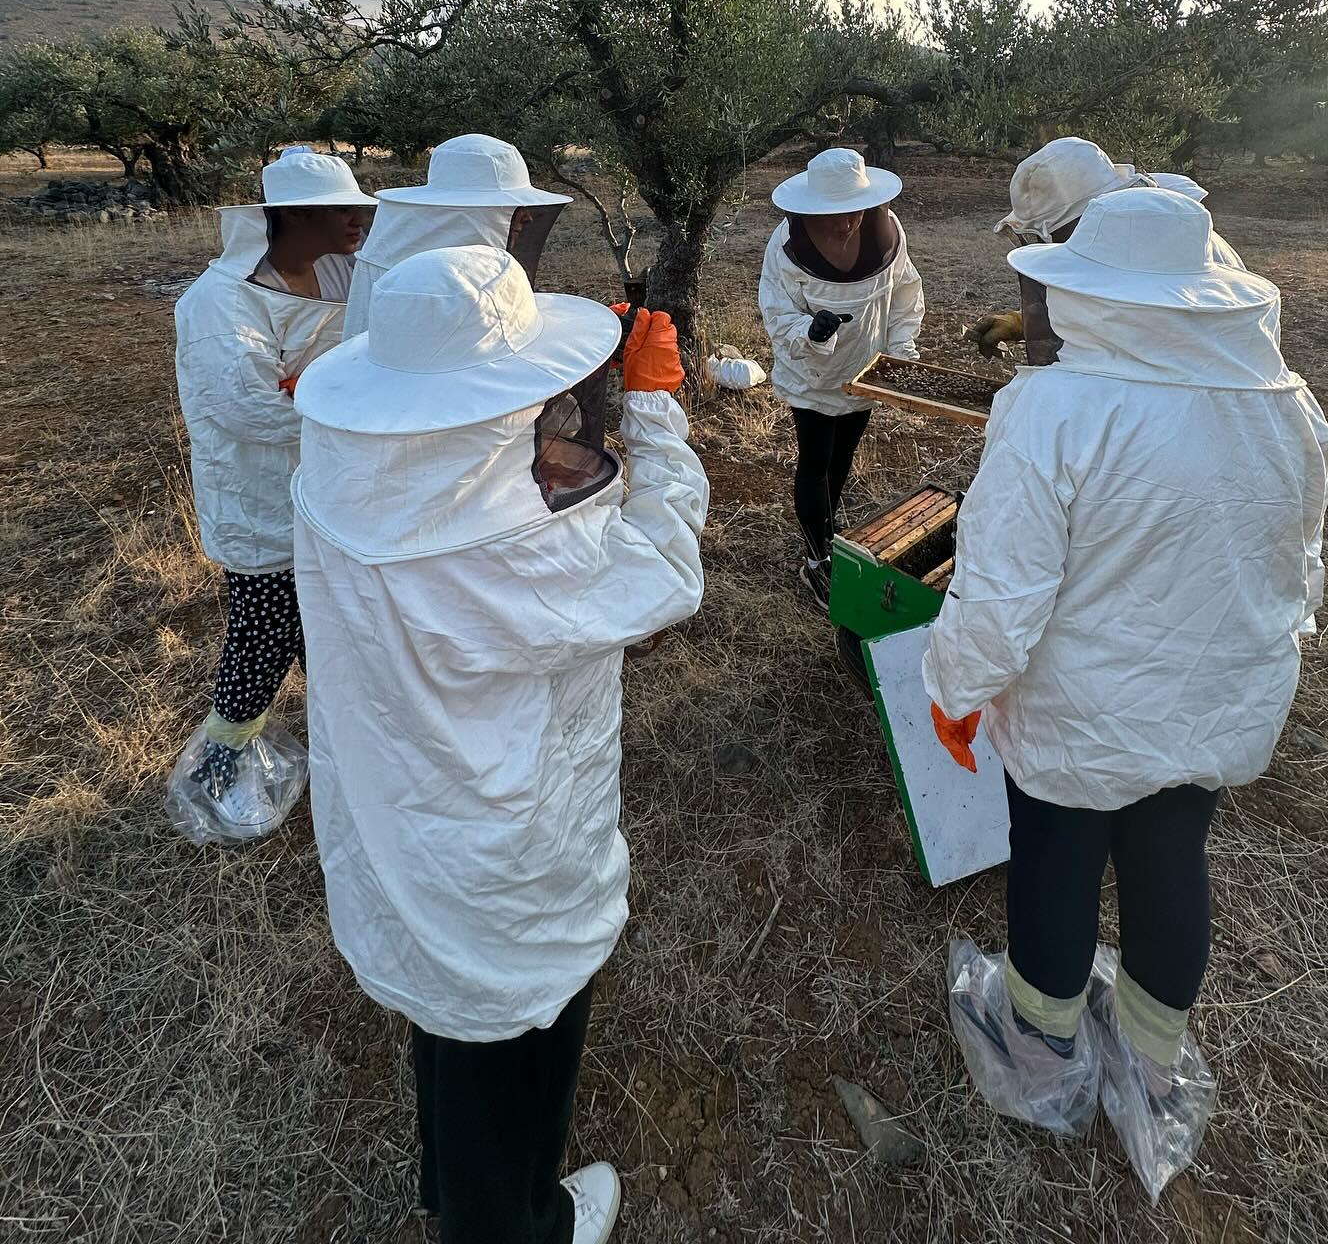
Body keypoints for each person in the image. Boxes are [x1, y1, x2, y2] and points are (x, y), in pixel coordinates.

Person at [291, 246, 709, 1244]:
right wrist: (654, 412)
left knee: (448, 1009)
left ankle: (456, 1183)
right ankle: (518, 1222)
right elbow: (663, 574)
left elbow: (488, 472)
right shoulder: (518, 545)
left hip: (395, 811)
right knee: (515, 1020)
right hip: (504, 843)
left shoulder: (335, 478)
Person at [924, 188, 1328, 1194]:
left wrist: (954, 686)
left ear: (1091, 295)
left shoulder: (1053, 408)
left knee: (1056, 858)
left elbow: (1001, 593)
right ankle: (1150, 1069)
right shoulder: (1286, 402)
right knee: (1171, 861)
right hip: (1217, 702)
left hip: (1080, 714)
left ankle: (1042, 1062)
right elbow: (1301, 563)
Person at [165, 147, 375, 843]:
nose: (356, 221)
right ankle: (218, 771)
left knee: (328, 627)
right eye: (341, 210)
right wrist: (348, 404)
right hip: (259, 495)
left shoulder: (343, 273)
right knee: (264, 633)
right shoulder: (219, 302)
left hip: (329, 485)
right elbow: (245, 408)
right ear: (293, 216)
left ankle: (344, 751)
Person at [758, 147, 925, 606]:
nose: (848, 223)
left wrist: (900, 352)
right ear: (813, 209)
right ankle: (816, 560)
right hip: (812, 375)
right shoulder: (784, 246)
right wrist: (808, 331)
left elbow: (905, 293)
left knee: (842, 456)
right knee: (816, 460)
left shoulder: (889, 233)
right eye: (836, 214)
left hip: (864, 368)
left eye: (856, 211)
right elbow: (776, 311)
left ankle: (828, 532)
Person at [973, 138, 1244, 364]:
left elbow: (1147, 331)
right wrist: (1024, 322)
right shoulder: (1140, 235)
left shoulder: (1160, 249)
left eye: (1065, 233)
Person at [343, 132, 571, 338]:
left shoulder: (392, 259)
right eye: (514, 209)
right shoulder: (420, 288)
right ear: (476, 213)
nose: (528, 218)